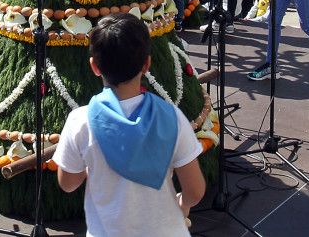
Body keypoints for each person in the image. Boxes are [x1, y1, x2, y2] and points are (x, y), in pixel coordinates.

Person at [52, 13, 205, 236]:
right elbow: (195, 191)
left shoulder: (81, 121)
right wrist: (182, 202)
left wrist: (94, 159)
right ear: (147, 64)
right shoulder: (171, 116)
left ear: (94, 67)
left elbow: (68, 183)